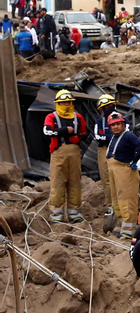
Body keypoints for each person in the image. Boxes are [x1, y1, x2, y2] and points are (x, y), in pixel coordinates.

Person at [44, 90, 87, 224]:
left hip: (74, 153)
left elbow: (85, 132)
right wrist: (64, 131)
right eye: (63, 102)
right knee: (57, 182)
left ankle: (75, 213)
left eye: (68, 102)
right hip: (59, 153)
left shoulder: (78, 117)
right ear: (58, 103)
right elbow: (47, 131)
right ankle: (57, 214)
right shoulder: (51, 117)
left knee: (75, 182)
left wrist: (78, 137)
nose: (66, 104)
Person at [102, 112, 140, 239]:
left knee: (127, 200)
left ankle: (129, 230)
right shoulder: (114, 137)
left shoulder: (128, 136)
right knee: (117, 198)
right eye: (113, 125)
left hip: (124, 171)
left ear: (123, 124)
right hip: (114, 170)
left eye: (118, 124)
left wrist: (134, 160)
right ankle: (122, 226)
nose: (115, 127)